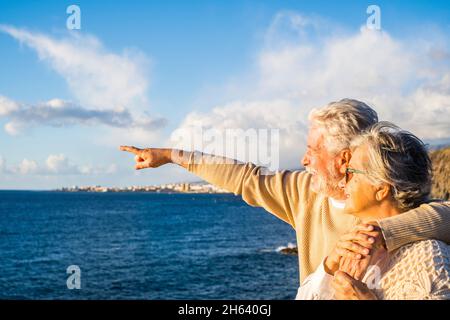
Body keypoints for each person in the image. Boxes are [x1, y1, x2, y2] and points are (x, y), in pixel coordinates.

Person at [120, 99, 450, 296]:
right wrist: (170, 155)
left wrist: (384, 233)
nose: (304, 159)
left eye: (312, 150)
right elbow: (243, 176)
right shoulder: (304, 192)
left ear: (345, 158)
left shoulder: (401, 212)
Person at [296, 122, 450, 299]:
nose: (342, 182)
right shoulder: (354, 245)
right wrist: (329, 266)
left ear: (381, 188)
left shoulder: (427, 261)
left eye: (350, 173)